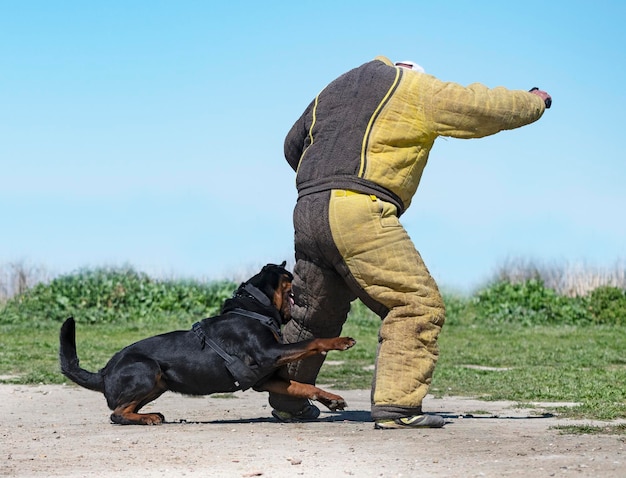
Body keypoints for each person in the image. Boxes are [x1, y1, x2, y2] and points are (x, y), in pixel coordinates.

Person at [269, 55, 551, 429]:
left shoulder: (332, 91)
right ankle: (397, 408)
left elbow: (292, 145)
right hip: (359, 209)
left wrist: (322, 175)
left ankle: (287, 401)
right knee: (415, 303)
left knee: (313, 313)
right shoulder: (415, 88)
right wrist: (534, 102)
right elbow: (482, 108)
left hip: (308, 210)